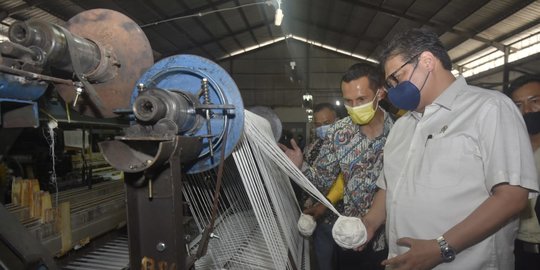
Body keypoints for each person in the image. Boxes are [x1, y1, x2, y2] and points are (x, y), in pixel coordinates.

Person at [361, 28, 539, 270]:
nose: (393, 90)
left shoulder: (489, 108)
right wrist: (370, 223)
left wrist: (441, 248)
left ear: (426, 61)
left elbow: (512, 197)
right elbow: (390, 186)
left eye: (397, 78)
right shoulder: (402, 126)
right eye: (390, 83)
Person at [280, 63, 393, 270]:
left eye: (361, 99)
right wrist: (300, 167)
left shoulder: (400, 130)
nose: (355, 106)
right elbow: (322, 181)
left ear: (380, 93)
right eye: (348, 101)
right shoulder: (338, 134)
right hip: (350, 237)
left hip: (391, 236)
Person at [504, 74, 540, 270]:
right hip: (517, 252)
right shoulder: (508, 150)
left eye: (535, 102)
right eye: (518, 105)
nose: (526, 111)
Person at [301, 102, 341, 270]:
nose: (322, 128)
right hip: (319, 219)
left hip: (341, 217)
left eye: (326, 124)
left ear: (337, 121)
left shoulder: (346, 146)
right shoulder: (310, 149)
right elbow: (305, 181)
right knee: (323, 262)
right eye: (318, 125)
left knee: (345, 263)